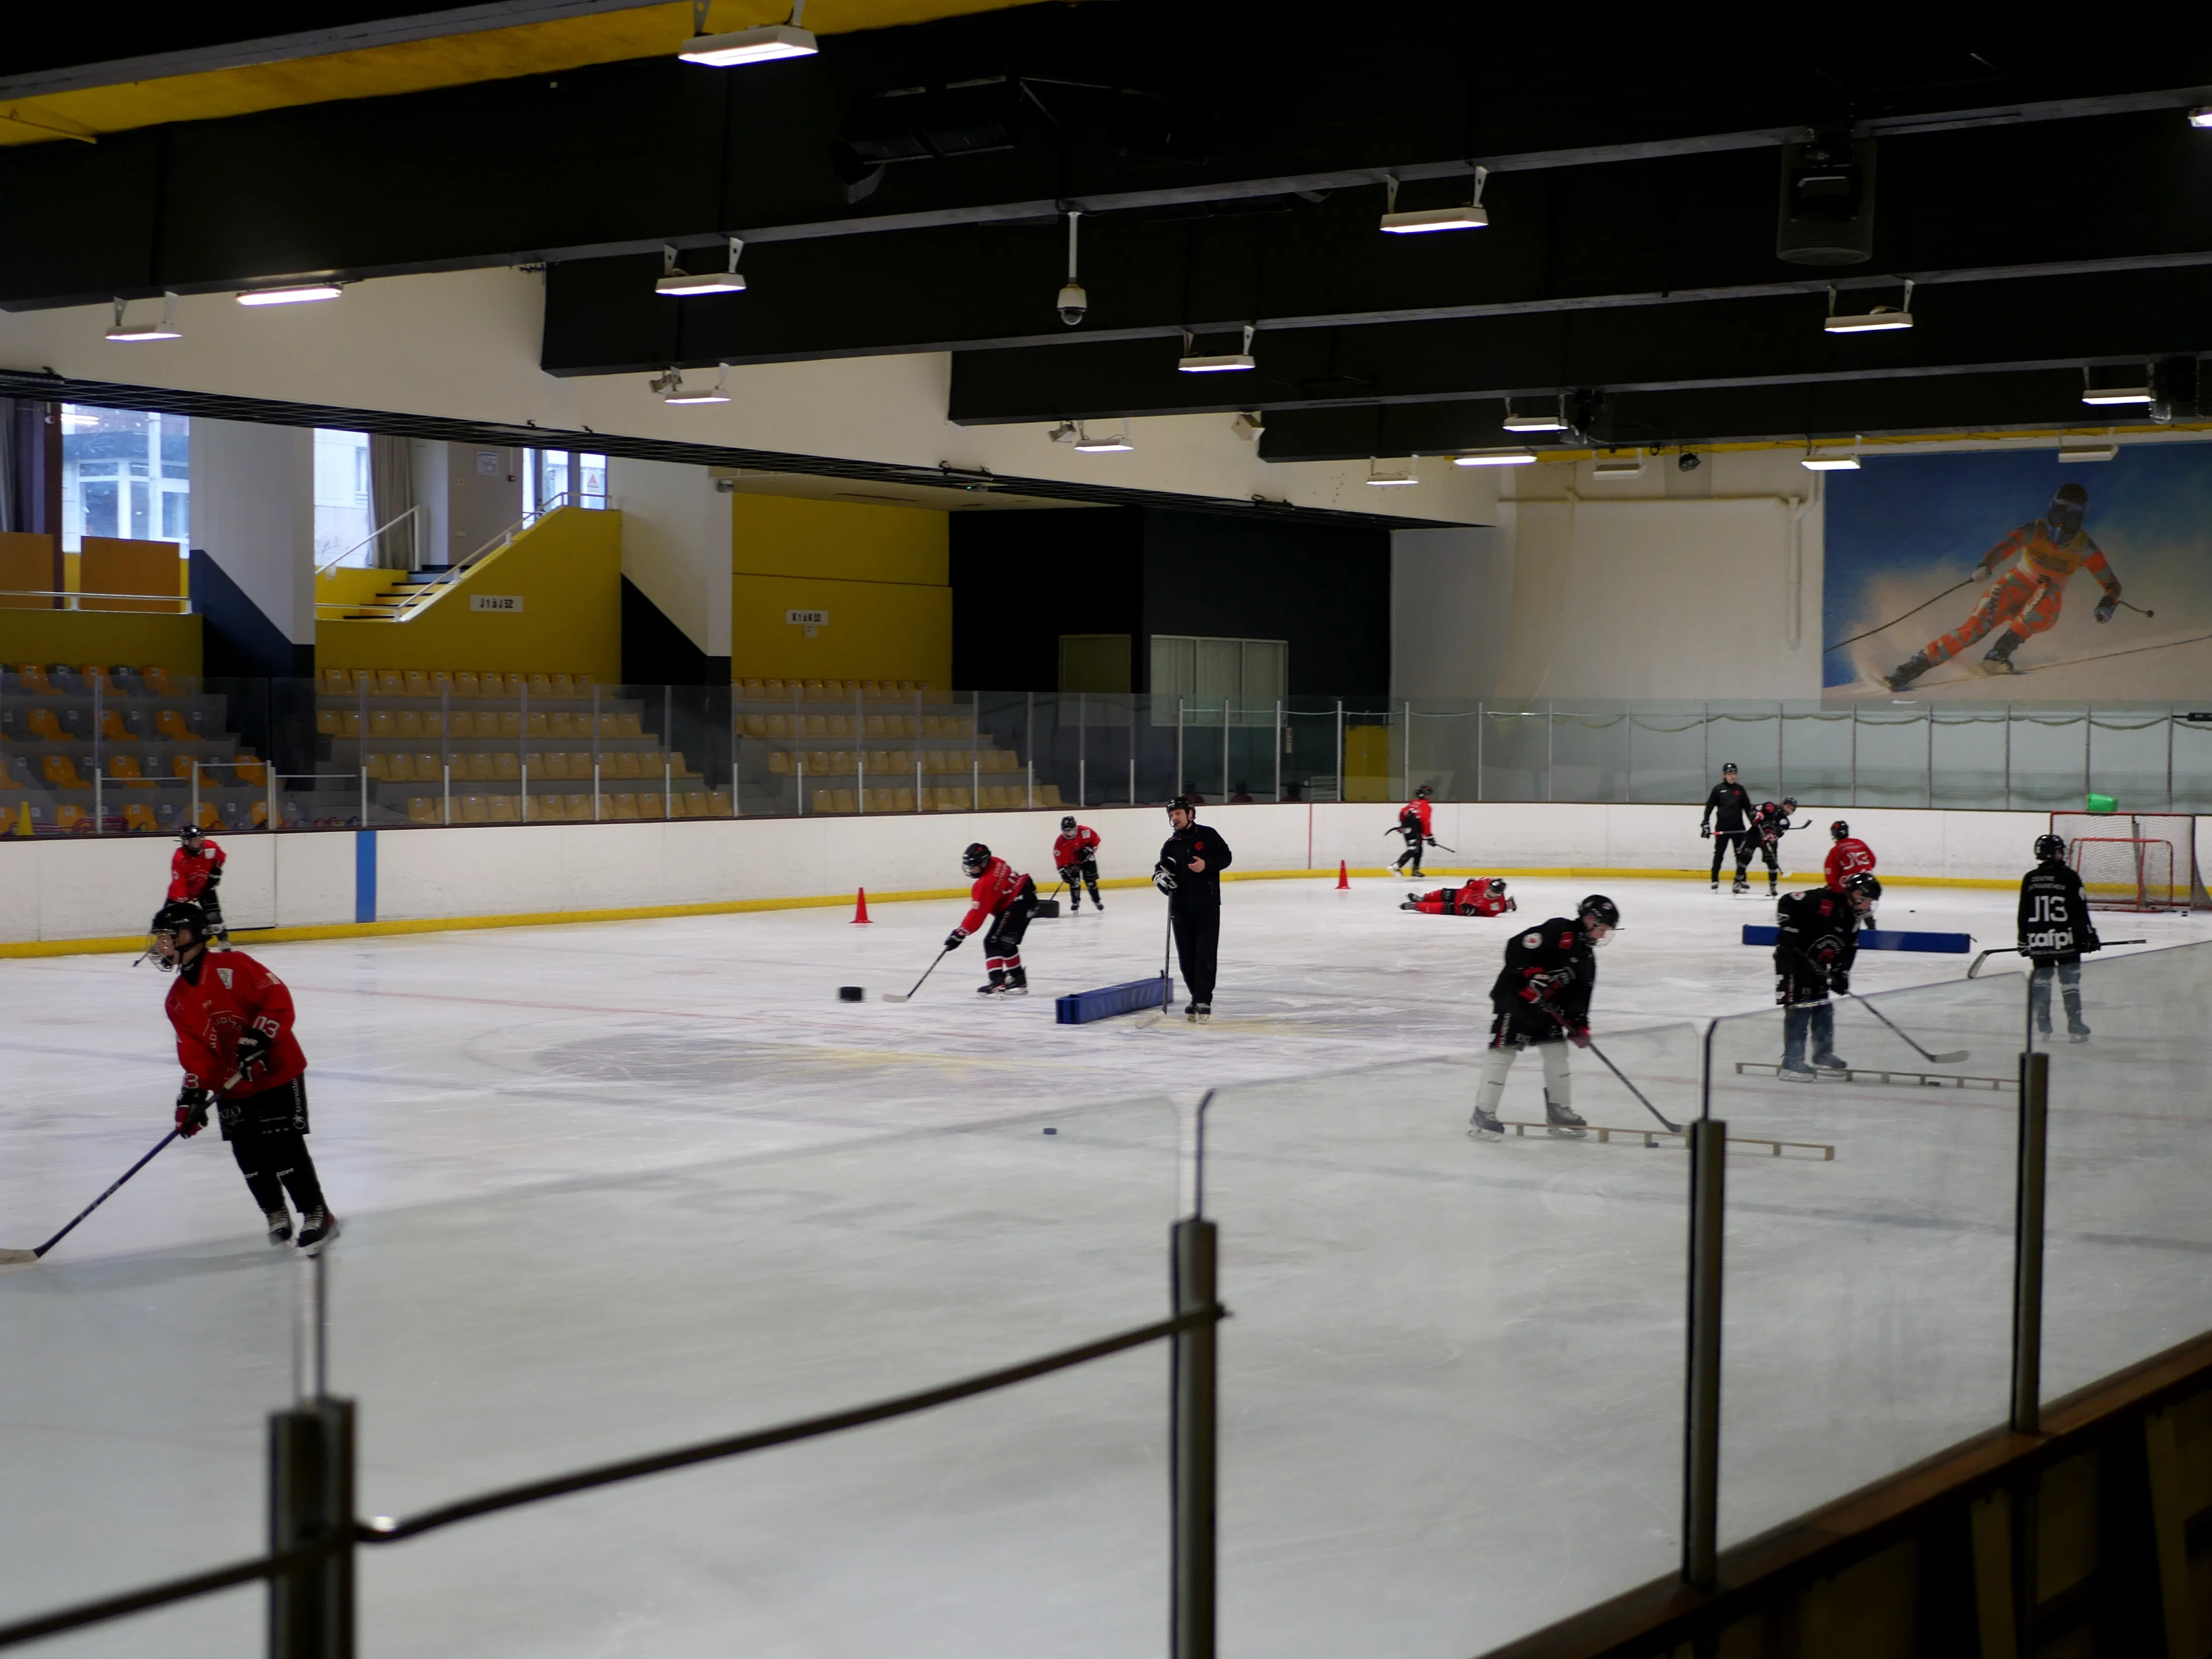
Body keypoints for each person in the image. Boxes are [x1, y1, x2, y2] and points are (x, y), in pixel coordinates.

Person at [148, 899, 337, 1252]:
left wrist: (259, 1037)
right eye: (160, 937)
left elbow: (277, 997)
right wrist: (191, 1095)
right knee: (248, 1153)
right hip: (231, 1082)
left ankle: (317, 1213)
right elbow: (195, 1054)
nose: (161, 944)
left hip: (277, 1070)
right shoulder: (176, 1000)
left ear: (189, 936)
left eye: (167, 937)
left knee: (284, 1147)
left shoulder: (234, 965)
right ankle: (275, 1212)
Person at [1883, 482, 2125, 689]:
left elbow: (2112, 585)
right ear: (2052, 511)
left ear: (2079, 519)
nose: (2061, 526)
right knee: (1974, 628)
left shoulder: (2084, 548)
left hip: (2045, 603)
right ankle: (1909, 670)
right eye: (2059, 515)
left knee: (2047, 593)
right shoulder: (2035, 531)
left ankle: (1999, 653)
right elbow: (2006, 547)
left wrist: (2107, 605)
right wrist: (1986, 565)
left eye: (2070, 518)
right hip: (2015, 587)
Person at [1468, 894, 1619, 1141]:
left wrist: (1580, 1024)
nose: (1603, 936)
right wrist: (1531, 975)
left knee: (1557, 1054)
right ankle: (1483, 1113)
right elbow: (1517, 946)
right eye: (1602, 929)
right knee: (1502, 1053)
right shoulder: (1559, 931)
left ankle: (1558, 1112)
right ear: (1590, 920)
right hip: (1516, 1003)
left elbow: (1580, 995)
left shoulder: (1586, 958)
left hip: (1547, 1012)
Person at [1773, 872, 1880, 1080]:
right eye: (1869, 900)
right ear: (1857, 894)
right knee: (1800, 1007)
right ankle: (1791, 1063)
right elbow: (1788, 900)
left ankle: (1822, 1054)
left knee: (1823, 1007)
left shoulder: (1852, 920)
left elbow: (1850, 948)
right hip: (1793, 961)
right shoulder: (1823, 901)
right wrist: (1789, 930)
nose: (1870, 906)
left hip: (1817, 965)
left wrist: (1841, 973)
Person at [1155, 795, 1233, 1023]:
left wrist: (1206, 865)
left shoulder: (1208, 835)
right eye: (1171, 815)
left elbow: (1226, 857)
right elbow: (1161, 871)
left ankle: (1203, 999)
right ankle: (1195, 996)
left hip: (1207, 906)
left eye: (1178, 813)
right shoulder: (1171, 844)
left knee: (1205, 955)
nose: (1174, 818)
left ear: (1190, 814)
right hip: (1180, 909)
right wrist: (1162, 880)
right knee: (1186, 958)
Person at [2019, 833, 2098, 1043]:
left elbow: (2024, 912)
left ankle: (2043, 1026)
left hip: (2039, 941)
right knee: (2070, 982)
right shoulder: (2069, 877)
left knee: (2042, 982)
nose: (2062, 853)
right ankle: (2075, 1026)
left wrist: (2023, 940)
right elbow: (2078, 911)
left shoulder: (2030, 878)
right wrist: (2089, 936)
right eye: (2059, 850)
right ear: (2054, 853)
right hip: (2065, 940)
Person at [944, 842, 1036, 995]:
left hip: (1017, 904)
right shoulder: (996, 862)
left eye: (974, 865)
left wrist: (960, 934)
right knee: (1006, 942)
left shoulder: (985, 884)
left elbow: (977, 915)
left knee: (992, 942)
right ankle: (1018, 980)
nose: (971, 869)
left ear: (984, 863)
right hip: (1026, 897)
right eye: (969, 865)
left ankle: (997, 982)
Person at [169, 824, 229, 945]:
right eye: (196, 840)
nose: (200, 843)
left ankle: (224, 942)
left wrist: (216, 872)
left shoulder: (210, 848)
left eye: (201, 839)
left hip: (205, 887)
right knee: (169, 920)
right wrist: (184, 903)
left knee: (214, 917)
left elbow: (220, 858)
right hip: (183, 891)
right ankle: (165, 944)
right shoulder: (180, 859)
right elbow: (179, 884)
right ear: (186, 842)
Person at [1700, 764, 1753, 892]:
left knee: (1740, 855)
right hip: (1722, 828)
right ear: (1724, 775)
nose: (1732, 776)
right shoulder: (1718, 789)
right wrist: (1705, 823)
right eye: (1729, 774)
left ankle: (1741, 880)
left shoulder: (1740, 790)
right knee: (1719, 854)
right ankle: (1715, 879)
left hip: (1738, 829)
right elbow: (1709, 808)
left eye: (1734, 774)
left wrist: (1755, 824)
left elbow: (1748, 809)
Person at [1737, 797, 1800, 898]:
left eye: (1791, 809)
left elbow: (1779, 832)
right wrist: (1756, 816)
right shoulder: (1769, 806)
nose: (1789, 809)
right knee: (1745, 858)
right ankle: (1738, 881)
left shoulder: (1785, 822)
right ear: (1783, 805)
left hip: (1767, 841)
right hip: (1754, 835)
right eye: (1788, 806)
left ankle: (1773, 887)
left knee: (1772, 863)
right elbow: (1753, 811)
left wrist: (1773, 836)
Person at [1051, 815, 1103, 912]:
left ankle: (1097, 901)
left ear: (1076, 828)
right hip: (1071, 862)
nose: (1068, 834)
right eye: (1066, 831)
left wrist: (1089, 850)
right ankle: (1075, 902)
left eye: (1070, 831)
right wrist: (1062, 870)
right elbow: (1058, 857)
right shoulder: (1060, 842)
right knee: (1074, 882)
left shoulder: (1085, 832)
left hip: (1087, 859)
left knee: (1091, 881)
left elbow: (1096, 840)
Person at [1402, 877, 1515, 916]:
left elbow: (1487, 914)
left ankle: (1416, 906)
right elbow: (1470, 885)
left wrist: (1473, 912)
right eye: (1489, 889)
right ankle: (1423, 898)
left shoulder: (1496, 906)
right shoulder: (1484, 883)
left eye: (1493, 893)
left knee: (1439, 908)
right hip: (1461, 894)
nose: (1489, 893)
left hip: (1461, 909)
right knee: (1442, 893)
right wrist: (1467, 887)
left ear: (1499, 895)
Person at [1392, 785, 1436, 877]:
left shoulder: (1413, 803)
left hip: (1407, 829)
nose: (1429, 797)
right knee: (1414, 849)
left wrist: (1403, 825)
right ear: (1422, 795)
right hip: (1414, 830)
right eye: (1427, 795)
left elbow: (1402, 812)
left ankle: (1415, 870)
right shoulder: (1426, 806)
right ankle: (1397, 865)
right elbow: (1425, 821)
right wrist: (1429, 836)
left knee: (1418, 849)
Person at [1825, 820, 1877, 891]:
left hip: (1849, 884)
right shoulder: (1859, 843)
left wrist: (1831, 885)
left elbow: (1831, 869)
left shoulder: (1836, 850)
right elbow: (1873, 859)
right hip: (1868, 880)